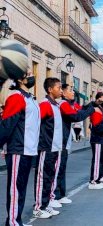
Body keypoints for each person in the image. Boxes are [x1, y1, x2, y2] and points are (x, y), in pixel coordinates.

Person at [0, 71, 42, 224]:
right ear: (19, 79)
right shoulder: (16, 97)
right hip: (18, 149)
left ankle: (16, 220)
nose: (32, 76)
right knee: (15, 189)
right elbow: (7, 124)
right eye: (28, 73)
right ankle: (12, 222)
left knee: (21, 188)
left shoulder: (30, 98)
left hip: (29, 150)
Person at [52, 84, 94, 206]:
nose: (73, 92)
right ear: (63, 93)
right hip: (59, 140)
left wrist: (89, 105)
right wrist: (90, 110)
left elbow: (80, 110)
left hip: (64, 140)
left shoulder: (70, 104)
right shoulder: (63, 104)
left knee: (62, 167)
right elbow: (76, 116)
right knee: (58, 169)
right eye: (70, 90)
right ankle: (54, 196)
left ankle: (60, 194)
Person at [34, 77, 63, 218]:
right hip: (46, 147)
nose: (61, 90)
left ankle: (46, 204)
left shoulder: (56, 105)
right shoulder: (45, 105)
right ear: (50, 89)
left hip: (55, 147)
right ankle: (38, 207)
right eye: (59, 87)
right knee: (42, 177)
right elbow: (36, 124)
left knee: (50, 177)